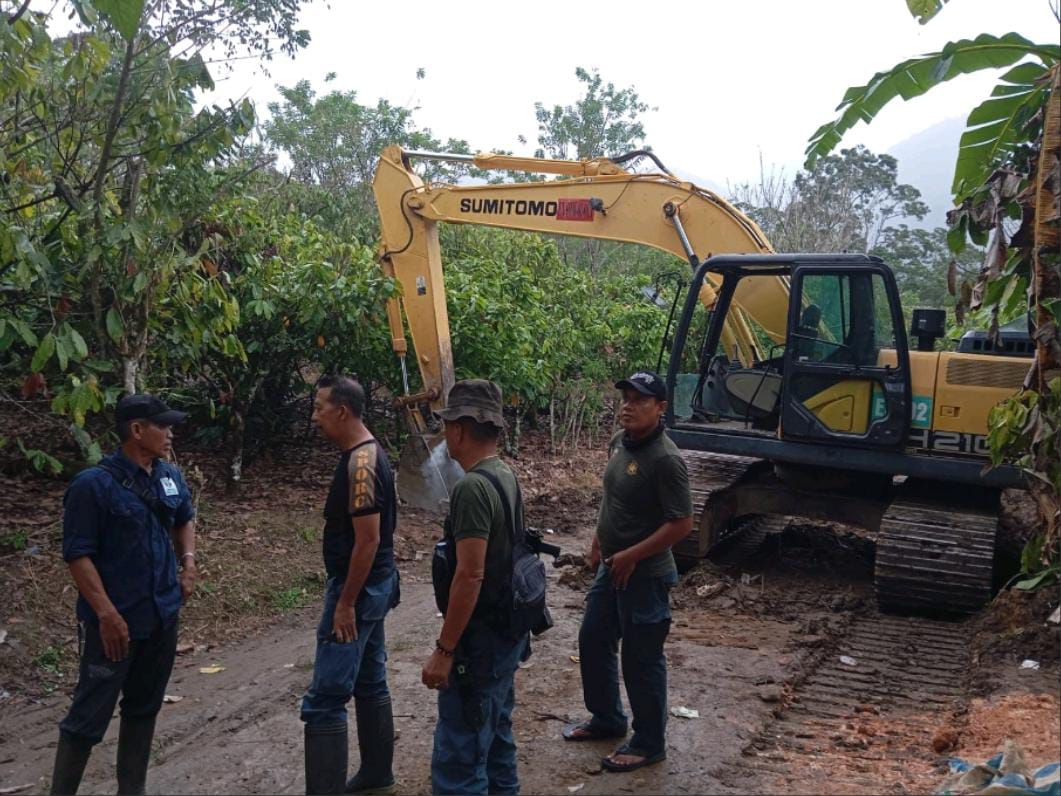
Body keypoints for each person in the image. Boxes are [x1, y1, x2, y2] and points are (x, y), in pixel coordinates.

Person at [49, 394, 197, 796]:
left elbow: (184, 518)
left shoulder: (169, 475)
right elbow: (78, 554)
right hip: (115, 625)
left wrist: (188, 563)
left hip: (162, 615)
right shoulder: (93, 486)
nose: (169, 434)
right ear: (136, 430)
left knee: (144, 708)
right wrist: (106, 614)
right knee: (88, 717)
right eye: (162, 426)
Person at [562, 370, 693, 773]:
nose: (629, 406)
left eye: (640, 400)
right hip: (612, 566)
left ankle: (650, 742)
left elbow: (682, 524)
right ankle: (608, 718)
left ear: (661, 408)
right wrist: (599, 543)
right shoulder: (620, 443)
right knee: (593, 638)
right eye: (626, 398)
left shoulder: (667, 461)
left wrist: (633, 554)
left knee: (641, 658)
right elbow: (612, 498)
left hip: (645, 574)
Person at [421, 379, 530, 795]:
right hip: (504, 637)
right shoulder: (504, 474)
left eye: (448, 424)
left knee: (460, 763)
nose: (445, 433)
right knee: (497, 743)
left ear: (460, 429)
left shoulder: (471, 488)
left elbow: (471, 574)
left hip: (479, 647)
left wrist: (445, 650)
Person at [301, 375, 401, 795]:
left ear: (342, 411)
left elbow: (369, 540)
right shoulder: (367, 454)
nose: (315, 416)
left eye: (320, 407)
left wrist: (345, 603)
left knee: (326, 699)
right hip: (376, 584)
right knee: (370, 681)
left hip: (358, 590)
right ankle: (377, 777)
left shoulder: (362, 464)